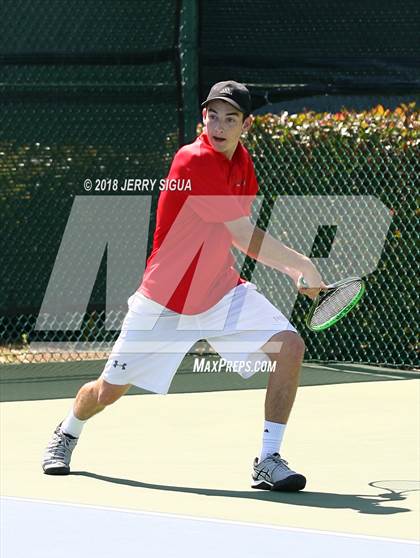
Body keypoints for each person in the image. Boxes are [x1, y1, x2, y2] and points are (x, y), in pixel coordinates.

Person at [42, 80, 324, 491]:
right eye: (213, 115)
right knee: (107, 392)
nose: (219, 125)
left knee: (290, 347)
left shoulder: (242, 163)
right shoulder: (193, 160)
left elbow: (230, 237)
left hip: (219, 291)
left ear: (246, 125)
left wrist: (296, 269)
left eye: (230, 118)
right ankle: (67, 432)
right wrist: (301, 265)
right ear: (203, 119)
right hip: (164, 302)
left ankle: (268, 459)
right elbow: (243, 234)